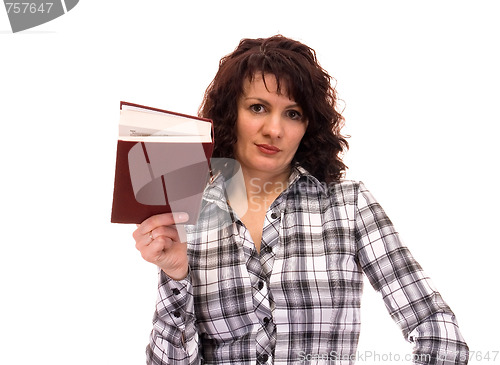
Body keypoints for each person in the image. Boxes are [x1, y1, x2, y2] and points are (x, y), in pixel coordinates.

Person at [133, 35, 469, 365]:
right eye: (257, 107)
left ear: (308, 125)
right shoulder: (188, 210)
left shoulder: (348, 205)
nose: (274, 129)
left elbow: (438, 331)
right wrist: (176, 275)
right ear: (230, 113)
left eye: (293, 114)